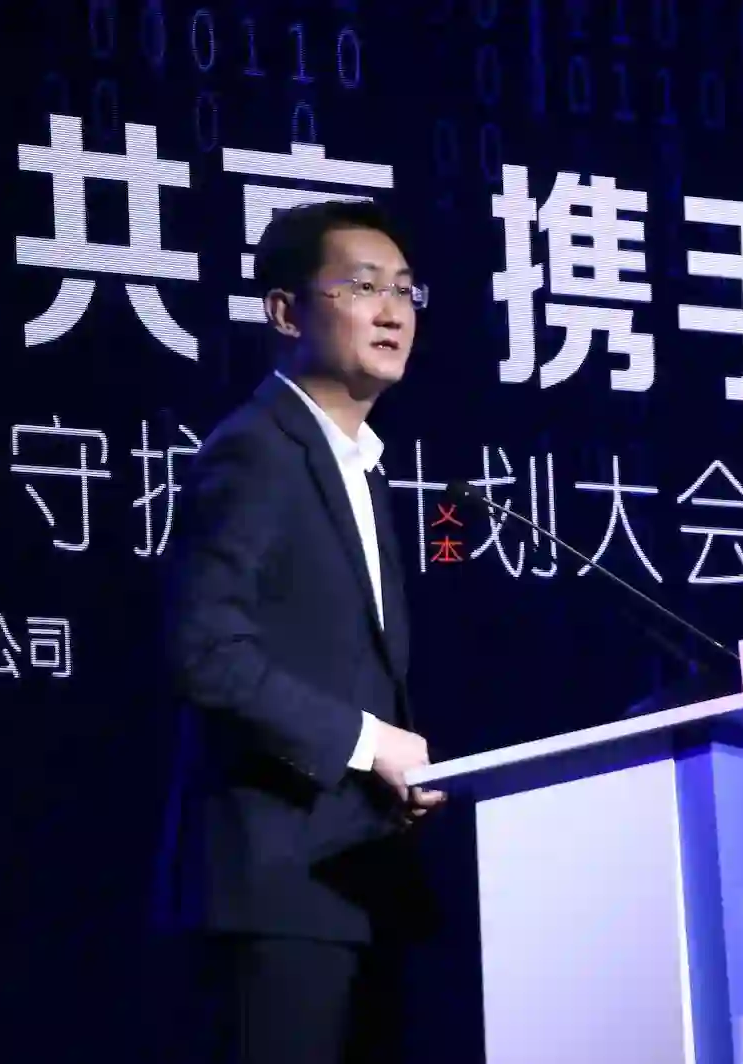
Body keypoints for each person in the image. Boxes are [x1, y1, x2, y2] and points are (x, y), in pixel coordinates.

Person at [155, 200, 445, 1064]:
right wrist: (367, 742)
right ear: (285, 312)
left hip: (360, 888)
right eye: (362, 287)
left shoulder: (361, 467)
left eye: (404, 291)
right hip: (272, 888)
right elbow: (205, 653)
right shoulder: (255, 451)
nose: (393, 312)